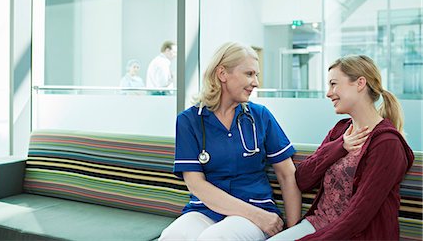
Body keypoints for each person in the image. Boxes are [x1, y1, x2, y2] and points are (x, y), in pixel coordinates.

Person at [159, 42, 301, 241]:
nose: (256, 82)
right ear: (222, 74)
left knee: (215, 239)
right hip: (206, 210)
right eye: (249, 74)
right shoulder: (189, 121)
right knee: (171, 237)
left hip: (257, 206)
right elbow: (196, 185)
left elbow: (287, 175)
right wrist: (257, 216)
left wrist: (292, 233)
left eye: (256, 75)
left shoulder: (260, 116)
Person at [267, 55, 414, 241]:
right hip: (317, 225)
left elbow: (358, 217)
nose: (328, 93)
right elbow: (303, 179)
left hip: (357, 235)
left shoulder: (387, 144)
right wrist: (340, 146)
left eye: (334, 84)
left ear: (360, 83)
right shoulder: (340, 130)